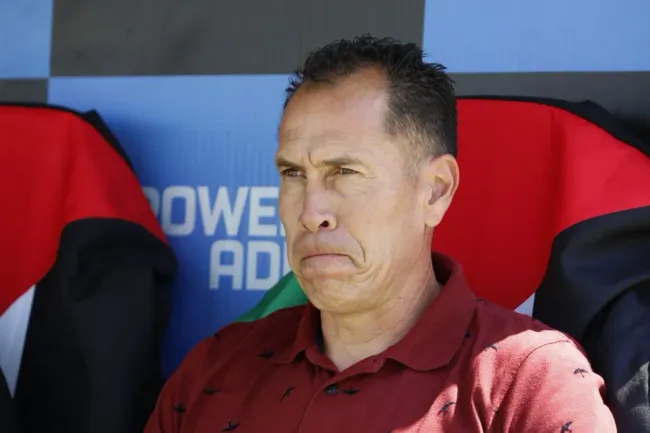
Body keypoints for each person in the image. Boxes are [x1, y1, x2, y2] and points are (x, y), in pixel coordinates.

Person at [144, 35, 616, 433]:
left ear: (435, 191)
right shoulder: (212, 369)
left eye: (344, 171)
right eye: (292, 173)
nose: (311, 212)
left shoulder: (527, 383)